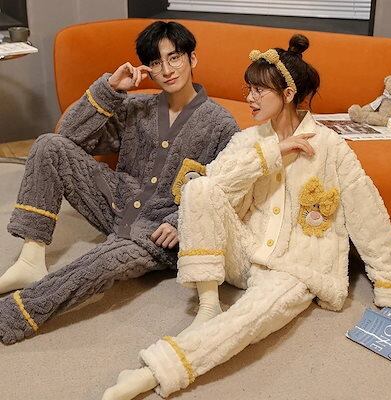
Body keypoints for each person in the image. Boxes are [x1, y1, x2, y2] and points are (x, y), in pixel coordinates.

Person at [101, 34, 391, 400]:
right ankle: (208, 304)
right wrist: (272, 153)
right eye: (249, 89)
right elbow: (212, 188)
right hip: (242, 253)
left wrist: (390, 285)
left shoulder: (331, 148)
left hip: (295, 267)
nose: (250, 98)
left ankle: (153, 372)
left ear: (287, 94)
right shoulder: (248, 140)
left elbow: (368, 216)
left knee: (247, 321)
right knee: (199, 186)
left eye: (259, 91)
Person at [0, 21, 239, 345]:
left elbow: (225, 186)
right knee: (47, 145)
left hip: (157, 232)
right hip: (116, 200)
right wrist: (110, 89)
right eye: (156, 62)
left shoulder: (220, 124)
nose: (167, 70)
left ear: (192, 58)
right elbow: (68, 135)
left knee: (101, 261)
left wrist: (179, 221)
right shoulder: (137, 108)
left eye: (174, 57)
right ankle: (31, 258)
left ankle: (13, 314)